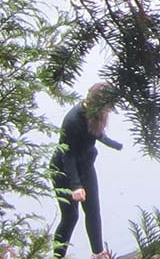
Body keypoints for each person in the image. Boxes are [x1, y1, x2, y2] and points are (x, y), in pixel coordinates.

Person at [51, 83, 125, 259]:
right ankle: (58, 256)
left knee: (93, 210)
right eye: (108, 106)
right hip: (64, 170)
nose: (109, 111)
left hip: (85, 165)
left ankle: (98, 253)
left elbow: (93, 132)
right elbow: (67, 156)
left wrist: (113, 144)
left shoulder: (94, 115)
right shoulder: (73, 120)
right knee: (71, 216)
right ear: (98, 104)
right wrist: (76, 186)